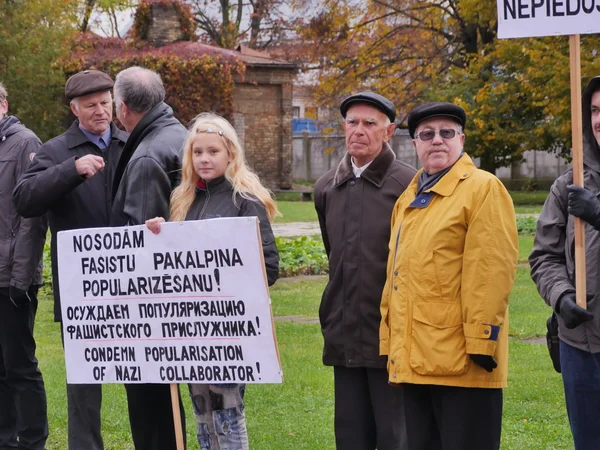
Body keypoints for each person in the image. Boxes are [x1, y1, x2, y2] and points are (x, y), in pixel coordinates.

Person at [380, 102, 519, 450]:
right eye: (427, 134)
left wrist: (482, 340)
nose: (437, 141)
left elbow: (490, 270)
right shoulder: (408, 197)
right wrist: (390, 339)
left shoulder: (483, 188)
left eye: (447, 133)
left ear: (462, 139)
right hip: (416, 358)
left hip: (464, 362)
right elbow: (395, 278)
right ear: (414, 144)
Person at [145, 112, 279, 450]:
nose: (204, 159)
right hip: (193, 330)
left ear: (231, 154)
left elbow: (269, 267)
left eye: (213, 151)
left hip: (229, 331)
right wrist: (159, 235)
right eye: (197, 152)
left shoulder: (245, 203)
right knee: (202, 413)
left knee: (227, 414)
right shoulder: (182, 202)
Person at [12, 70, 127, 450]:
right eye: (91, 105)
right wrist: (70, 171)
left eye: (106, 102)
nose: (100, 111)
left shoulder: (131, 142)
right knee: (83, 386)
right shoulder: (56, 151)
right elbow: (24, 198)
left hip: (136, 284)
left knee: (145, 377)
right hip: (84, 290)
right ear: (74, 109)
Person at [314, 92, 416, 450]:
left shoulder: (409, 185)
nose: (358, 130)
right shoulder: (326, 187)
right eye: (352, 122)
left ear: (388, 132)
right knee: (351, 436)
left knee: (395, 435)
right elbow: (335, 255)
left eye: (369, 123)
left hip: (392, 335)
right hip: (344, 331)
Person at [110, 66, 188, 450]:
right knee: (170, 404)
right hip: (186, 291)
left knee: (151, 402)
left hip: (152, 311)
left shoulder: (146, 155)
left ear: (122, 107)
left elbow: (140, 245)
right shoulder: (182, 135)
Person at [529, 75, 600, 449]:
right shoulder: (568, 185)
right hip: (581, 345)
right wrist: (561, 298)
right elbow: (544, 256)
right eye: (594, 110)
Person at [0, 82, 48, 450]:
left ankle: (31, 440)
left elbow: (32, 216)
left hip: (12, 278)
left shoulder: (25, 142)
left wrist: (21, 278)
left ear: (3, 103)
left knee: (19, 365)